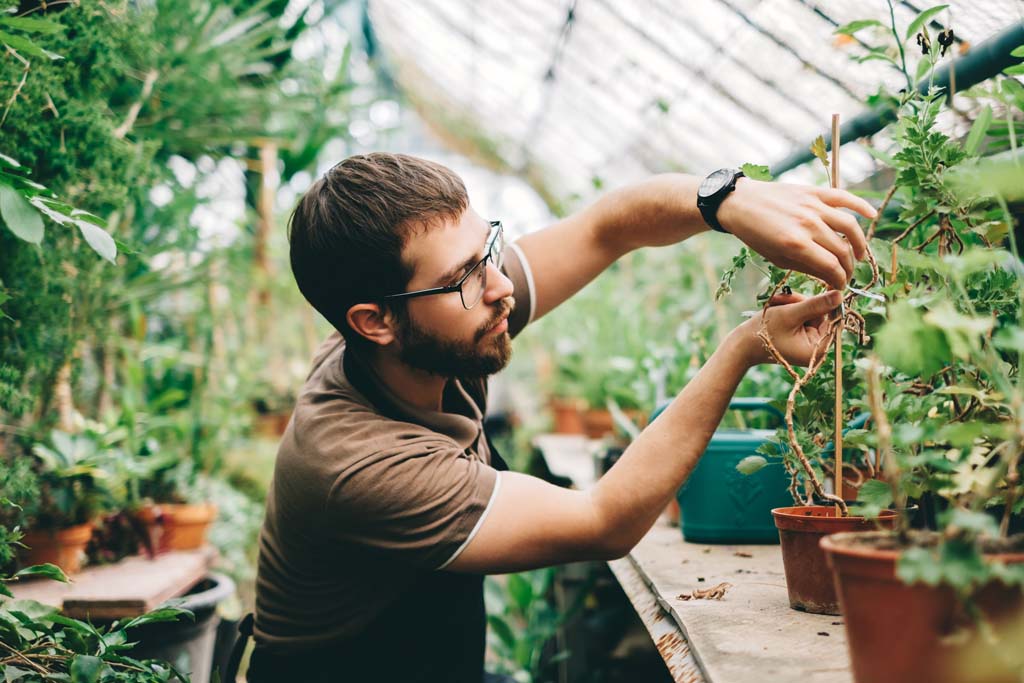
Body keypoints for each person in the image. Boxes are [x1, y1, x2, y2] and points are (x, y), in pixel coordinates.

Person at [240, 153, 875, 682]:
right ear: (373, 321)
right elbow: (603, 523)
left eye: (487, 246)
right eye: (465, 277)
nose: (501, 286)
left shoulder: (424, 328)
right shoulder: (358, 463)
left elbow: (606, 227)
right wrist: (743, 347)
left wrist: (726, 200)